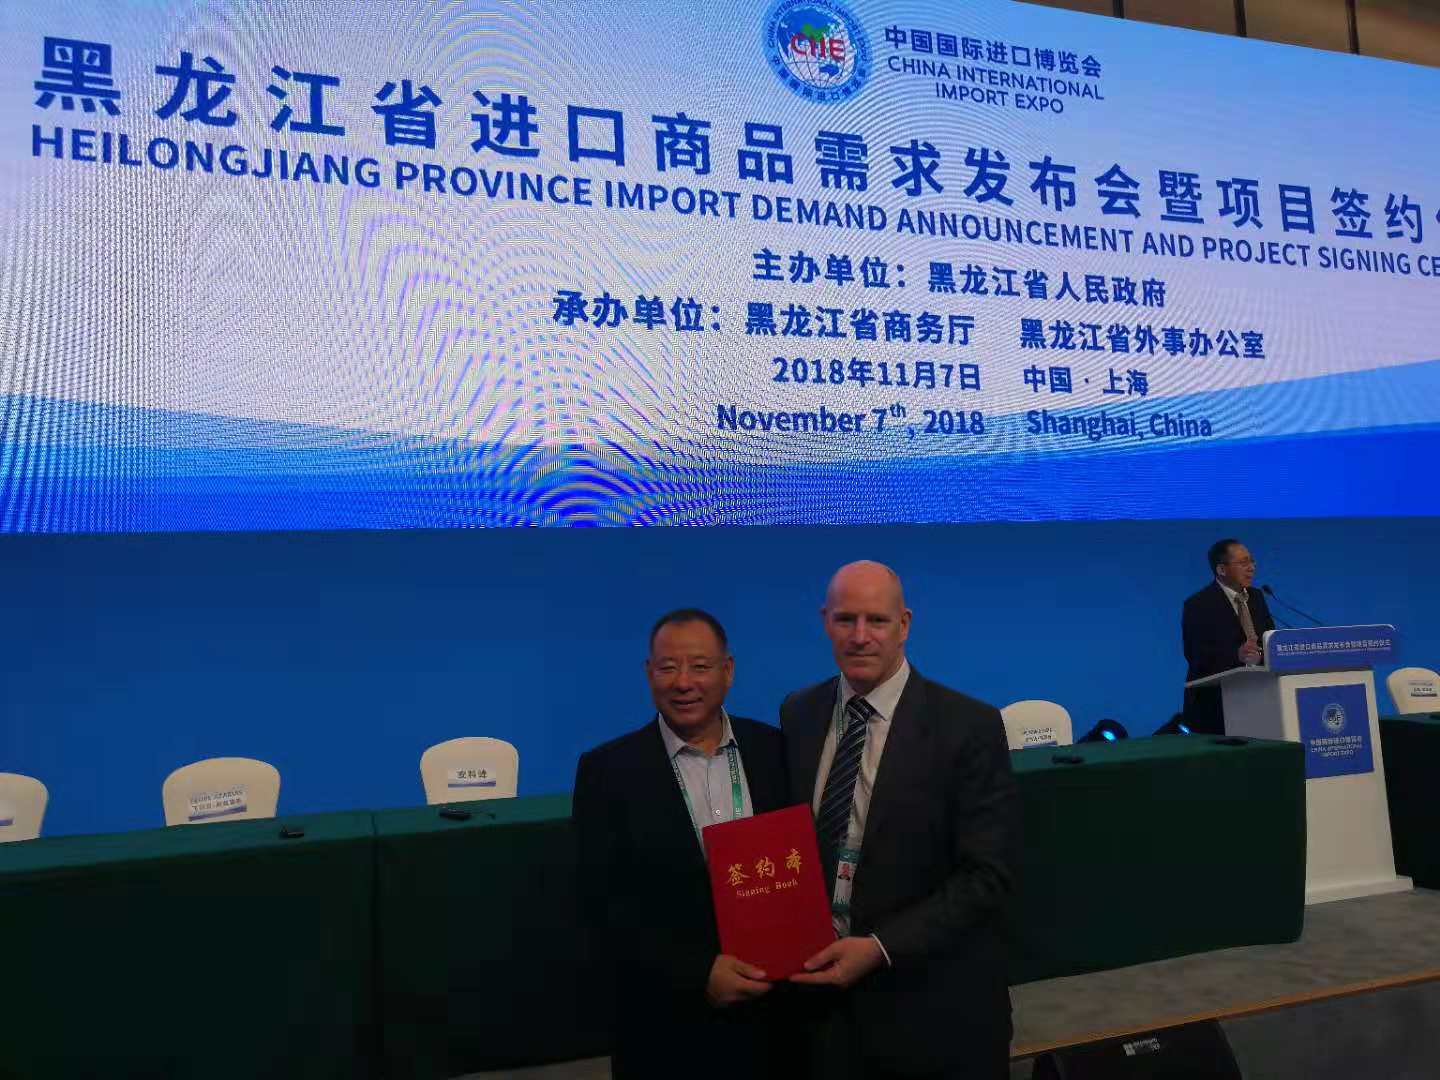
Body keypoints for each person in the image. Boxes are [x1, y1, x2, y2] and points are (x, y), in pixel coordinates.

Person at [781, 561, 1020, 1079]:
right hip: (823, 1014)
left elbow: (988, 875)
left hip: (933, 1010)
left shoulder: (969, 726)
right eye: (845, 619)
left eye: (877, 620)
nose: (860, 636)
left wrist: (880, 948)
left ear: (904, 625)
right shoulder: (798, 713)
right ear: (824, 622)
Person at [572, 609, 790, 1079]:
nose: (684, 682)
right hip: (666, 1025)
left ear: (728, 671)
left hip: (775, 1018)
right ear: (649, 673)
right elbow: (599, 906)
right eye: (668, 667)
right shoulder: (607, 772)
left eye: (700, 666)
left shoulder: (776, 750)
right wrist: (698, 973)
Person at [1182, 539, 1276, 735]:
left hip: (1259, 698)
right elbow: (1196, 656)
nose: (1251, 568)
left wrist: (1262, 655)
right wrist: (1237, 655)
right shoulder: (1198, 605)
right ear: (1221, 570)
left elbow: (1269, 640)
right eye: (1243, 562)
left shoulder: (1257, 597)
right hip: (1215, 707)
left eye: (1252, 561)